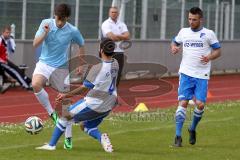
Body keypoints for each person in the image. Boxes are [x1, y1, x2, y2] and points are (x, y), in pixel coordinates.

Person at [36, 38, 118, 153]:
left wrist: (66, 95)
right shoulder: (115, 63)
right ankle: (102, 138)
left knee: (64, 116)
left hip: (95, 104)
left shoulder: (97, 68)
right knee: (85, 126)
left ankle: (51, 145)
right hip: (109, 104)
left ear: (101, 50)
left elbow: (84, 88)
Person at [32, 3, 85, 150]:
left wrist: (81, 64)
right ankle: (51, 113)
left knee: (66, 103)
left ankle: (68, 137)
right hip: (44, 63)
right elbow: (35, 44)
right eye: (58, 19)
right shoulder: (46, 23)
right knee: (35, 84)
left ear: (67, 18)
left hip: (61, 67)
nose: (60, 22)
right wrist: (45, 33)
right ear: (55, 15)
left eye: (63, 20)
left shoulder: (72, 30)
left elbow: (81, 44)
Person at [170, 7, 221, 147]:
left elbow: (218, 50)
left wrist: (209, 57)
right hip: (186, 73)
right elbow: (174, 41)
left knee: (200, 104)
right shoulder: (183, 32)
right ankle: (178, 137)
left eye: (194, 19)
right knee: (183, 103)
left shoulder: (208, 34)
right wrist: (174, 47)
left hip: (202, 75)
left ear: (201, 19)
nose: (191, 22)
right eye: (189, 19)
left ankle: (192, 128)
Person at [101, 6, 130, 87]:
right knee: (107, 72)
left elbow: (128, 36)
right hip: (108, 52)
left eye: (115, 12)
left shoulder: (122, 24)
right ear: (109, 13)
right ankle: (105, 89)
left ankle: (114, 89)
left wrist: (116, 36)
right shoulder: (105, 24)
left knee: (118, 72)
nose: (114, 14)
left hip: (120, 52)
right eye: (112, 12)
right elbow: (112, 37)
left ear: (118, 14)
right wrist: (121, 36)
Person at [0, 25, 32, 90]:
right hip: (2, 61)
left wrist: (11, 42)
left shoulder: (8, 40)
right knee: (14, 71)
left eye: (9, 33)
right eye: (6, 33)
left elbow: (12, 50)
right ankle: (26, 86)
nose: (8, 34)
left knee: (17, 69)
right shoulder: (0, 40)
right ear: (2, 33)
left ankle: (28, 80)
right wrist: (2, 60)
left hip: (5, 60)